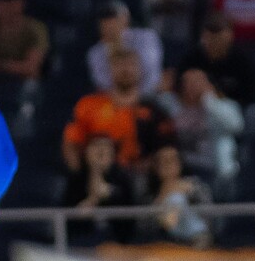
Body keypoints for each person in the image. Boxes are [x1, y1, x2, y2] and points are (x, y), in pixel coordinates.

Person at [63, 44, 177, 173]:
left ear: (139, 69)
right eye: (120, 65)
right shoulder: (88, 105)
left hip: (140, 180)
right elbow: (71, 143)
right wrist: (80, 176)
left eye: (130, 64)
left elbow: (167, 150)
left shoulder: (155, 111)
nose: (126, 69)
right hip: (95, 176)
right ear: (110, 69)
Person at [170, 65, 245, 193]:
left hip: (215, 171)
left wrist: (208, 100)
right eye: (189, 82)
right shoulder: (174, 109)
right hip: (185, 171)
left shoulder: (224, 106)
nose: (194, 86)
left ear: (208, 84)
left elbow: (236, 125)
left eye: (198, 81)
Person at [67, 132, 144, 248]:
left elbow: (129, 221)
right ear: (86, 152)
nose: (101, 152)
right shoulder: (76, 180)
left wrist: (109, 194)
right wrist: (94, 198)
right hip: (82, 241)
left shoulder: (122, 180)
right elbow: (70, 219)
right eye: (96, 147)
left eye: (106, 148)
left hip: (117, 242)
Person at [85, 0, 167, 93]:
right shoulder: (95, 53)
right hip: (114, 100)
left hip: (150, 95)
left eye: (114, 18)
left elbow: (152, 75)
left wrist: (137, 97)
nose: (110, 24)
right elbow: (103, 84)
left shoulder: (146, 37)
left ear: (125, 18)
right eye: (105, 20)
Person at [189, 11, 255, 108]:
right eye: (210, 38)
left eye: (218, 39)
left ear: (230, 36)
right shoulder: (193, 58)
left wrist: (217, 96)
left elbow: (252, 96)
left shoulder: (242, 61)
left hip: (234, 110)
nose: (214, 43)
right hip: (197, 109)